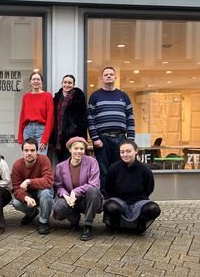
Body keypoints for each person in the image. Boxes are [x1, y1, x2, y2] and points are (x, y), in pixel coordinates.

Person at [87, 66, 135, 195]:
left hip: (121, 138)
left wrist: (130, 139)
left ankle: (118, 195)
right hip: (102, 139)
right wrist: (95, 138)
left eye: (111, 74)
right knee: (103, 170)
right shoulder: (95, 96)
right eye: (106, 74)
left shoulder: (123, 96)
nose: (108, 76)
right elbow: (90, 118)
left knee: (120, 168)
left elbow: (130, 117)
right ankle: (105, 196)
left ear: (115, 77)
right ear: (102, 78)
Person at [103, 140, 161, 234]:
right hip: (119, 201)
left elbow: (149, 188)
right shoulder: (114, 168)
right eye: (122, 152)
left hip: (139, 201)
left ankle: (140, 223)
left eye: (128, 151)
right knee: (110, 207)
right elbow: (108, 187)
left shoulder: (145, 169)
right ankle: (116, 224)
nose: (125, 154)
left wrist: (140, 198)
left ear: (136, 151)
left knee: (153, 209)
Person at [51, 137, 103, 240]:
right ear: (70, 149)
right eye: (76, 148)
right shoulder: (60, 166)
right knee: (58, 206)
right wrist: (66, 196)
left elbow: (94, 184)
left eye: (82, 149)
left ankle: (87, 225)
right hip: (71, 200)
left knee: (94, 191)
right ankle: (74, 220)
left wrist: (75, 191)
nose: (79, 151)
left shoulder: (92, 162)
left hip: (88, 200)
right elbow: (59, 186)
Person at [11, 137, 54, 234]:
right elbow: (17, 189)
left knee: (46, 193)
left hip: (42, 191)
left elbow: (49, 181)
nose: (29, 153)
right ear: (22, 152)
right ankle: (32, 213)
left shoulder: (43, 159)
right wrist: (26, 198)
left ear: (37, 151)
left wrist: (29, 181)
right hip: (29, 194)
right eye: (26, 150)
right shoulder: (17, 165)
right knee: (15, 202)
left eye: (32, 150)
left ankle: (43, 222)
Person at [50, 74, 88, 162]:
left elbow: (83, 120)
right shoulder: (56, 98)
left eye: (70, 83)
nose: (67, 85)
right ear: (62, 83)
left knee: (73, 163)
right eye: (65, 82)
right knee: (62, 164)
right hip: (59, 139)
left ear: (73, 85)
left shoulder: (79, 98)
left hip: (73, 137)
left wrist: (76, 132)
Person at [18, 71, 54, 155]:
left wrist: (45, 139)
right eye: (33, 79)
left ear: (41, 82)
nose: (36, 81)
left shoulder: (47, 96)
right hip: (28, 130)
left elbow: (50, 119)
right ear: (30, 82)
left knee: (41, 157)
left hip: (41, 130)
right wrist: (20, 137)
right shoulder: (26, 97)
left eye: (38, 79)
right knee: (28, 157)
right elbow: (22, 117)